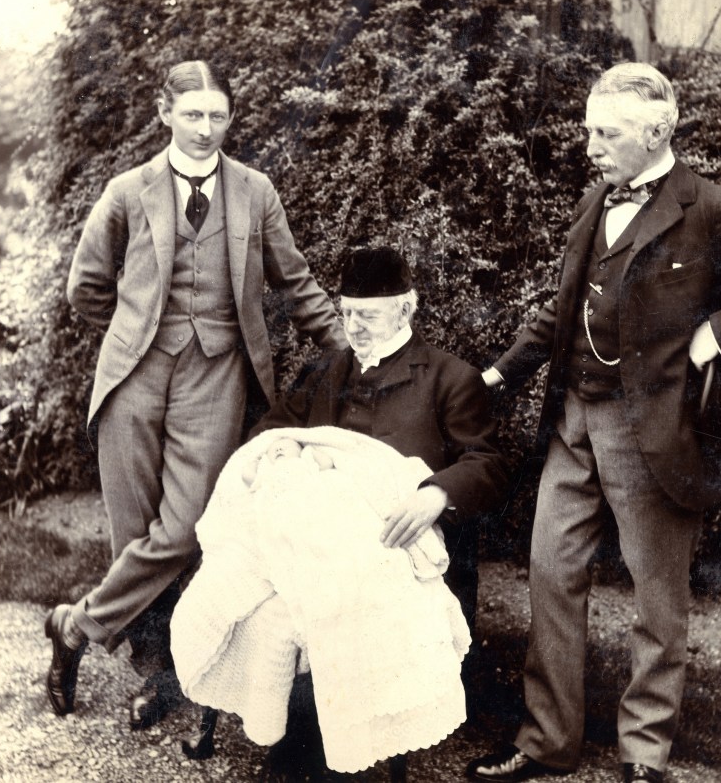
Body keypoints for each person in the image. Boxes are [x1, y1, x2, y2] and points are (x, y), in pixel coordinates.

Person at [466, 62, 721, 783]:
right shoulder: (592, 200)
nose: (590, 146)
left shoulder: (709, 208)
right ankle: (547, 741)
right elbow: (561, 307)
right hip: (573, 424)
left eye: (605, 133)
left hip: (655, 430)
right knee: (551, 575)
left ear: (657, 132)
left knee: (656, 597)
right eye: (589, 129)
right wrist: (498, 373)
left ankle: (645, 756)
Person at [44, 59, 347, 730]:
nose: (205, 128)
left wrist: (355, 352)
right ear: (165, 113)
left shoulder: (255, 191)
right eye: (192, 115)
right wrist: (136, 333)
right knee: (134, 531)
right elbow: (86, 286)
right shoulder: (128, 190)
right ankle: (156, 674)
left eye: (217, 116)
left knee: (183, 530)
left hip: (215, 375)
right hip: (133, 378)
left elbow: (295, 285)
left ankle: (75, 627)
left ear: (230, 119)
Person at [178, 245, 509, 772]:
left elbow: (489, 463)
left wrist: (435, 494)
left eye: (369, 316)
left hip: (390, 539)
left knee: (349, 600)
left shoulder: (449, 377)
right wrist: (282, 450)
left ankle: (348, 748)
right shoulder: (326, 369)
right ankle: (294, 739)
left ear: (407, 307)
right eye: (347, 312)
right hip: (312, 536)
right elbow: (272, 429)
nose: (355, 326)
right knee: (258, 598)